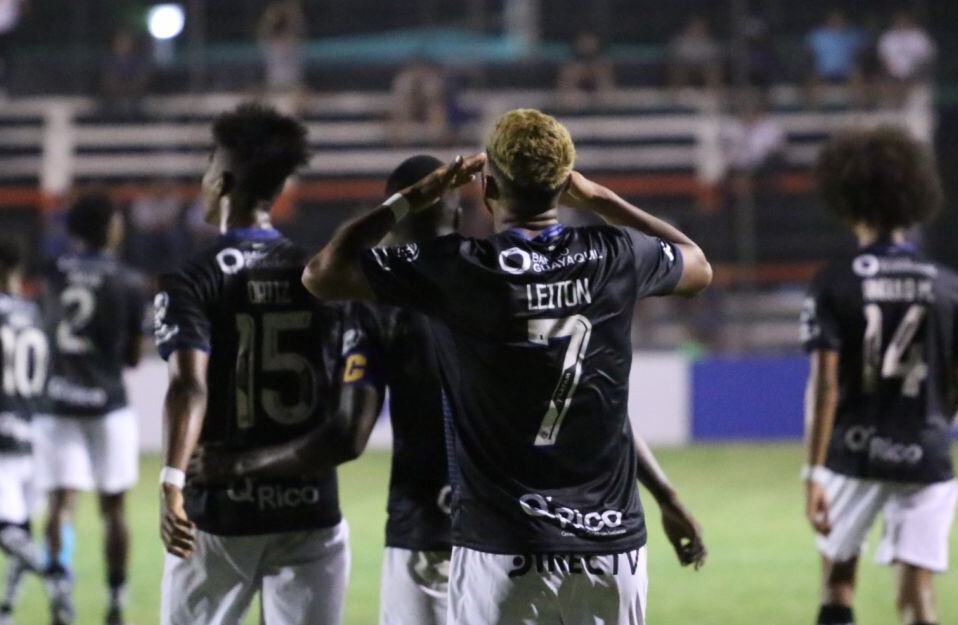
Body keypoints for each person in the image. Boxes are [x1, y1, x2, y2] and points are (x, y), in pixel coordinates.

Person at [302, 108, 712, 624]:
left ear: (488, 188)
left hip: (503, 549)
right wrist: (600, 199)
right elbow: (696, 263)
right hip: (612, 551)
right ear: (564, 184)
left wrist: (413, 198)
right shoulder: (614, 254)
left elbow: (321, 275)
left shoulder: (461, 268)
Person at [154, 103, 382, 625]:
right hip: (310, 511)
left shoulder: (192, 278)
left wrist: (171, 480)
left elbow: (188, 387)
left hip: (221, 514)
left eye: (208, 166)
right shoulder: (319, 274)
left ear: (222, 181)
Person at [800, 127, 958, 625]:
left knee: (837, 583)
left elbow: (826, 383)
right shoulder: (944, 283)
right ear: (915, 199)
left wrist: (813, 473)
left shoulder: (835, 280)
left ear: (848, 200)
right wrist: (931, 427)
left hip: (854, 451)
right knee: (917, 597)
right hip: (925, 453)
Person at [37, 193, 147, 625]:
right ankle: (116, 597)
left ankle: (60, 590)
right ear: (109, 230)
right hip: (108, 404)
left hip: (57, 402)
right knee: (113, 509)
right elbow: (133, 358)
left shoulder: (50, 275)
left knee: (60, 504)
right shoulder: (129, 280)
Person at [0, 241, 73, 625]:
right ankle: (5, 611)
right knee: (22, 530)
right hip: (40, 432)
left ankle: (55, 578)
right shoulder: (40, 313)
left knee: (1, 531)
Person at [877, 12, 936, 107]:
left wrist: (915, 69)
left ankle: (904, 103)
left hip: (916, 71)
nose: (902, 23)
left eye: (904, 21)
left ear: (910, 21)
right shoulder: (888, 37)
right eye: (899, 21)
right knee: (889, 78)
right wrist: (891, 69)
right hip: (893, 72)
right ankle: (895, 104)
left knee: (910, 77)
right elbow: (883, 57)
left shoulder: (919, 36)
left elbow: (927, 57)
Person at [100, 29, 154, 118]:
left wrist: (131, 90)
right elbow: (108, 81)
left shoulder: (140, 63)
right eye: (120, 41)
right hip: (111, 106)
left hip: (138, 104)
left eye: (126, 41)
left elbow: (142, 81)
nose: (123, 44)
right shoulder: (109, 62)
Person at [557, 32, 615, 106]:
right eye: (584, 43)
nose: (587, 47)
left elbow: (609, 95)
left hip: (601, 103)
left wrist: (600, 77)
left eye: (590, 43)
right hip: (572, 102)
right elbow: (563, 94)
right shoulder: (570, 67)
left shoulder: (603, 66)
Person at [667, 17, 723, 91]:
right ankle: (677, 91)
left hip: (703, 66)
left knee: (713, 68)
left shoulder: (709, 42)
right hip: (686, 66)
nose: (697, 29)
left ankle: (713, 90)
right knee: (677, 67)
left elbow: (713, 57)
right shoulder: (681, 40)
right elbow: (676, 56)